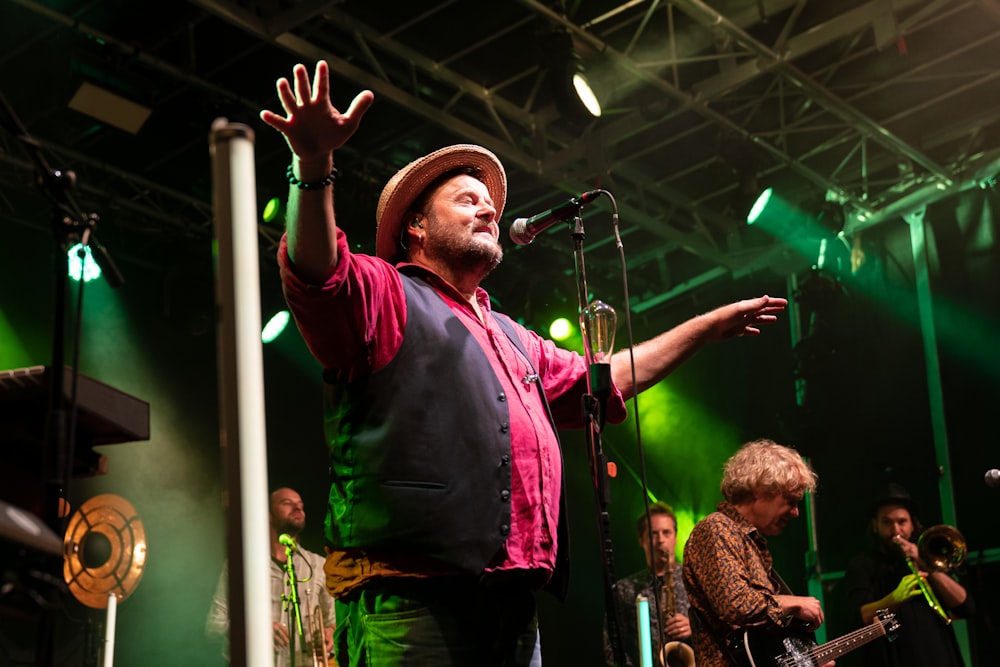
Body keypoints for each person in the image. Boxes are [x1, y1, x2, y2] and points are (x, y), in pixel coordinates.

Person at [259, 59, 789, 667]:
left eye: (490, 204)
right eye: (467, 200)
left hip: (511, 606)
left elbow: (605, 379)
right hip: (413, 603)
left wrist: (702, 328)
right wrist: (313, 165)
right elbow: (317, 273)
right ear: (416, 226)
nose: (488, 211)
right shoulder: (386, 293)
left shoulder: (514, 337)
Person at [682, 439, 830, 667]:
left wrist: (803, 660)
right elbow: (736, 604)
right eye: (790, 501)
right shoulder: (717, 528)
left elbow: (761, 638)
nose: (795, 513)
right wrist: (794, 603)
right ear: (760, 490)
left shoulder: (750, 542)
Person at [843, 483, 972, 667]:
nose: (896, 530)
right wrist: (895, 598)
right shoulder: (863, 565)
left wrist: (923, 561)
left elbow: (966, 607)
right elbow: (860, 616)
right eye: (887, 522)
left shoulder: (928, 559)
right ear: (875, 526)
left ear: (912, 525)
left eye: (902, 522)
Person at [206, 487, 335, 667]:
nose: (298, 508)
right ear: (267, 516)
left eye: (301, 505)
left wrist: (330, 636)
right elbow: (214, 624)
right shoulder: (241, 565)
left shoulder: (319, 565)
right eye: (287, 503)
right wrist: (255, 630)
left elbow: (333, 623)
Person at [604, 501, 693, 667]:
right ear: (641, 540)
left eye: (666, 533)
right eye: (653, 533)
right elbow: (613, 647)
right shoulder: (625, 589)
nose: (660, 540)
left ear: (675, 537)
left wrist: (694, 627)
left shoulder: (694, 580)